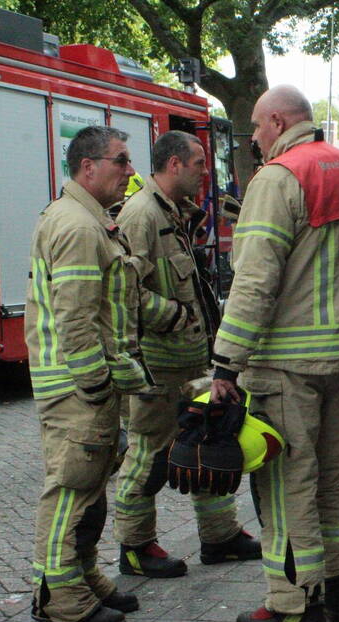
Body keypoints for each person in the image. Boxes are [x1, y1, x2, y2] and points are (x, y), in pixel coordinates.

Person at [207, 85, 339, 622]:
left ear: (278, 121)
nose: (254, 140)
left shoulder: (278, 179)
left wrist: (225, 367)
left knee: (287, 485)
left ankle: (292, 607)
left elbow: (255, 283)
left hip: (287, 366)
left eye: (256, 129)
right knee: (337, 481)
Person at [113, 131, 260, 579]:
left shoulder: (173, 214)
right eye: (198, 162)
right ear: (174, 164)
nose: (204, 171)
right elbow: (125, 294)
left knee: (212, 439)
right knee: (148, 454)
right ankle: (135, 547)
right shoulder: (140, 217)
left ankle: (220, 536)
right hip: (158, 369)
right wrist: (175, 316)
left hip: (190, 363)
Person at [25, 126, 152, 622]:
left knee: (91, 486)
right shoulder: (78, 226)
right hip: (78, 389)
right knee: (71, 488)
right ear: (88, 167)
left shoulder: (89, 220)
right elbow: (76, 319)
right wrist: (96, 386)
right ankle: (61, 602)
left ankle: (81, 576)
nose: (129, 171)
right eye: (121, 161)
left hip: (86, 385)